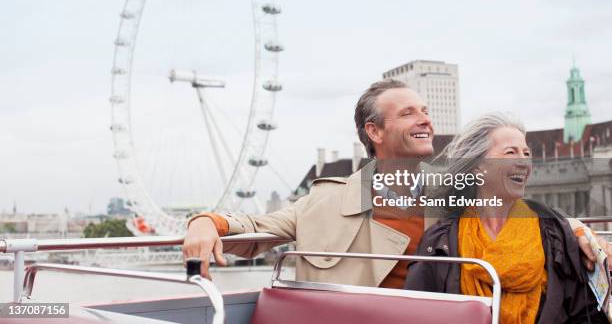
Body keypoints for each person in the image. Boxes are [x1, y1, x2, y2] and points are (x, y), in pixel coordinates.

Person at [183, 80, 607, 288]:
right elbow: (256, 228)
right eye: (408, 113)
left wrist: (580, 232)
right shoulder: (327, 200)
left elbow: (524, 219)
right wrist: (206, 223)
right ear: (375, 132)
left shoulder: (456, 193)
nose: (425, 118)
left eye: (424, 110)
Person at [404, 113, 607, 323]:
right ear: (477, 167)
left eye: (526, 153)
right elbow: (417, 313)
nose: (523, 161)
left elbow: (586, 312)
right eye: (511, 152)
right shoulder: (440, 241)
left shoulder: (556, 233)